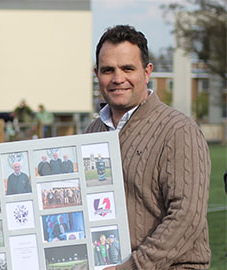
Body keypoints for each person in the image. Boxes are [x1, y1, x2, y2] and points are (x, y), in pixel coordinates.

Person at [85, 25, 210, 269]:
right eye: (108, 70)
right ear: (97, 73)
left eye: (128, 69)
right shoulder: (91, 133)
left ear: (147, 71)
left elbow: (187, 217)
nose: (118, 78)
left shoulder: (178, 131)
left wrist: (133, 266)